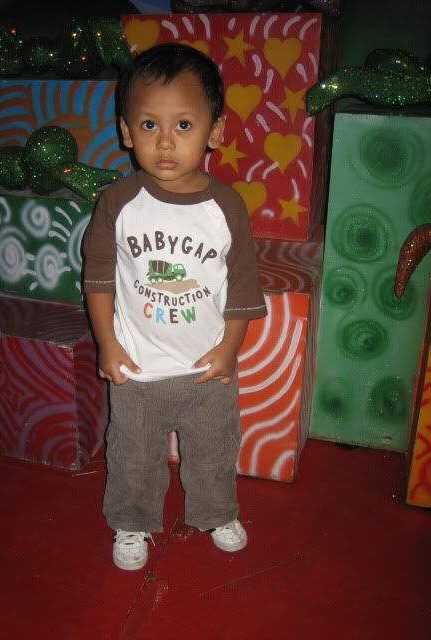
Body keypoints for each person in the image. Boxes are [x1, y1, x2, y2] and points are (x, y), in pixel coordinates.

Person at [82, 43, 267, 571]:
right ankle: (131, 521)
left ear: (215, 131)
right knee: (133, 455)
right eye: (149, 125)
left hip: (206, 370)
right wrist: (107, 343)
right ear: (126, 132)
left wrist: (229, 351)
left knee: (213, 451)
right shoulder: (117, 202)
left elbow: (242, 288)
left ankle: (217, 512)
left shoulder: (225, 206)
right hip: (137, 370)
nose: (165, 141)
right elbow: (98, 278)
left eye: (183, 125)